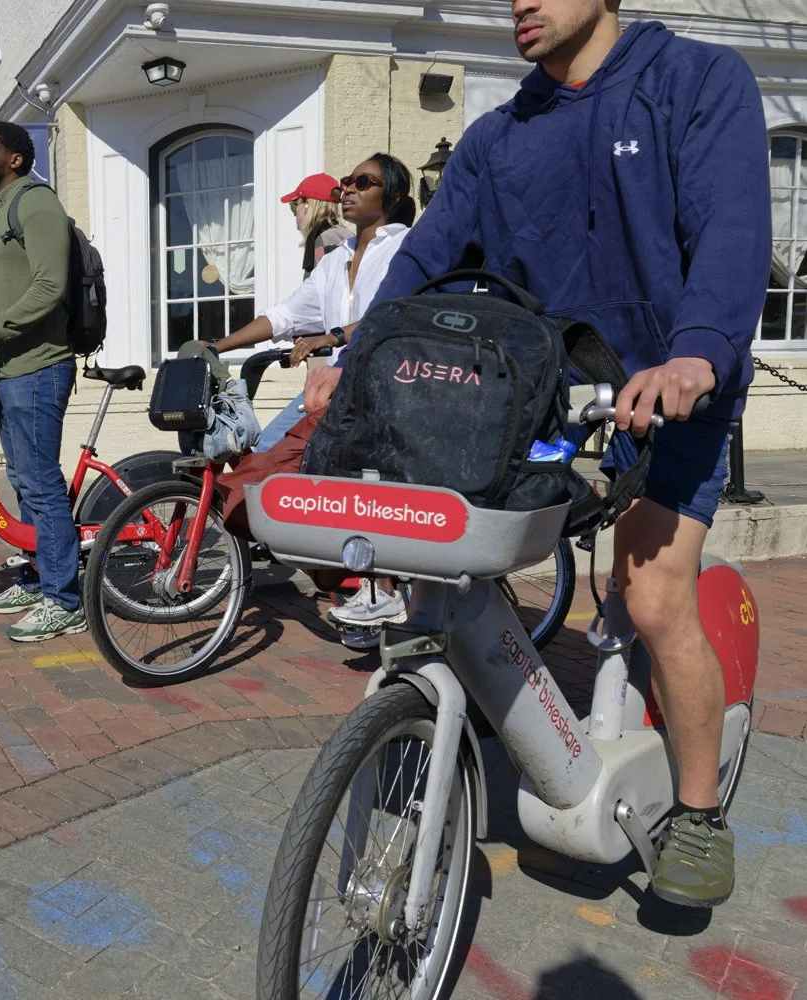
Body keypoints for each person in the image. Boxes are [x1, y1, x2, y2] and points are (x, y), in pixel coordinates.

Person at [305, 0, 771, 908]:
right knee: (451, 568)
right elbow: (425, 264)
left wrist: (698, 349)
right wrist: (352, 361)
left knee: (651, 591)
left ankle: (700, 811)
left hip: (676, 388)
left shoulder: (699, 83)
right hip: (552, 398)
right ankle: (484, 721)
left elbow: (732, 236)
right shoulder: (496, 139)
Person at [212, 154, 417, 637]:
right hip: (334, 396)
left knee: (369, 487)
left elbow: (398, 314)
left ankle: (381, 592)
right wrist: (215, 345)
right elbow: (284, 316)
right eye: (345, 181)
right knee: (269, 470)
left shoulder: (407, 248)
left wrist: (335, 336)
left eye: (361, 182)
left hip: (390, 391)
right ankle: (341, 576)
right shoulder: (338, 258)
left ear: (391, 197)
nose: (346, 189)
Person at [0, 120, 84, 643]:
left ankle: (63, 599)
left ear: (17, 158)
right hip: (9, 368)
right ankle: (34, 576)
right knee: (26, 482)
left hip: (40, 367)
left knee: (42, 484)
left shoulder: (36, 203)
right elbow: (11, 300)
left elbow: (50, 286)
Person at [281, 173, 353, 280]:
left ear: (308, 204)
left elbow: (329, 290)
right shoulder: (331, 234)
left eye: (294, 205)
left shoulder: (327, 239)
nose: (294, 213)